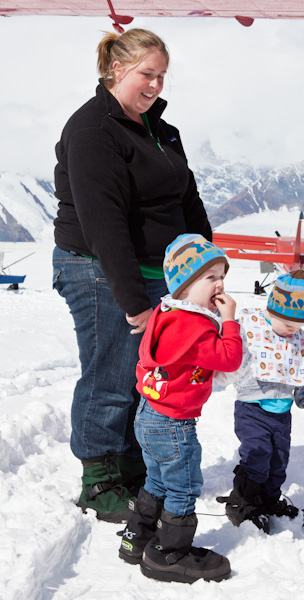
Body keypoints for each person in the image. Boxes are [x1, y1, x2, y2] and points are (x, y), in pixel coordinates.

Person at [52, 28, 211, 523]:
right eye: (147, 74)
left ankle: (130, 465)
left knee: (149, 376)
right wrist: (133, 300)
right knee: (112, 375)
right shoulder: (93, 131)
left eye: (161, 76)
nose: (155, 85)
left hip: (158, 272)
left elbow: (188, 202)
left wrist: (205, 266)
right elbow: (104, 225)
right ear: (116, 69)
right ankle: (99, 480)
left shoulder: (161, 131)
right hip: (100, 269)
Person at [118, 234, 242, 583]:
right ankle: (170, 553)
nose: (219, 284)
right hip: (174, 423)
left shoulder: (167, 311)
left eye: (222, 275)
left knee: (157, 478)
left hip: (149, 412)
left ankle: (136, 538)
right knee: (184, 486)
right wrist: (230, 321)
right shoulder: (196, 326)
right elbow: (229, 358)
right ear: (185, 285)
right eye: (210, 277)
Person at [216, 270, 304, 534]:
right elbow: (229, 355)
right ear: (271, 310)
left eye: (298, 327)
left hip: (282, 414)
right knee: (257, 456)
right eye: (286, 323)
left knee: (278, 461)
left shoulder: (296, 338)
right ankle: (245, 504)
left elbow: (301, 374)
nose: (292, 330)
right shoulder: (252, 330)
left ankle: (270, 501)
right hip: (252, 409)